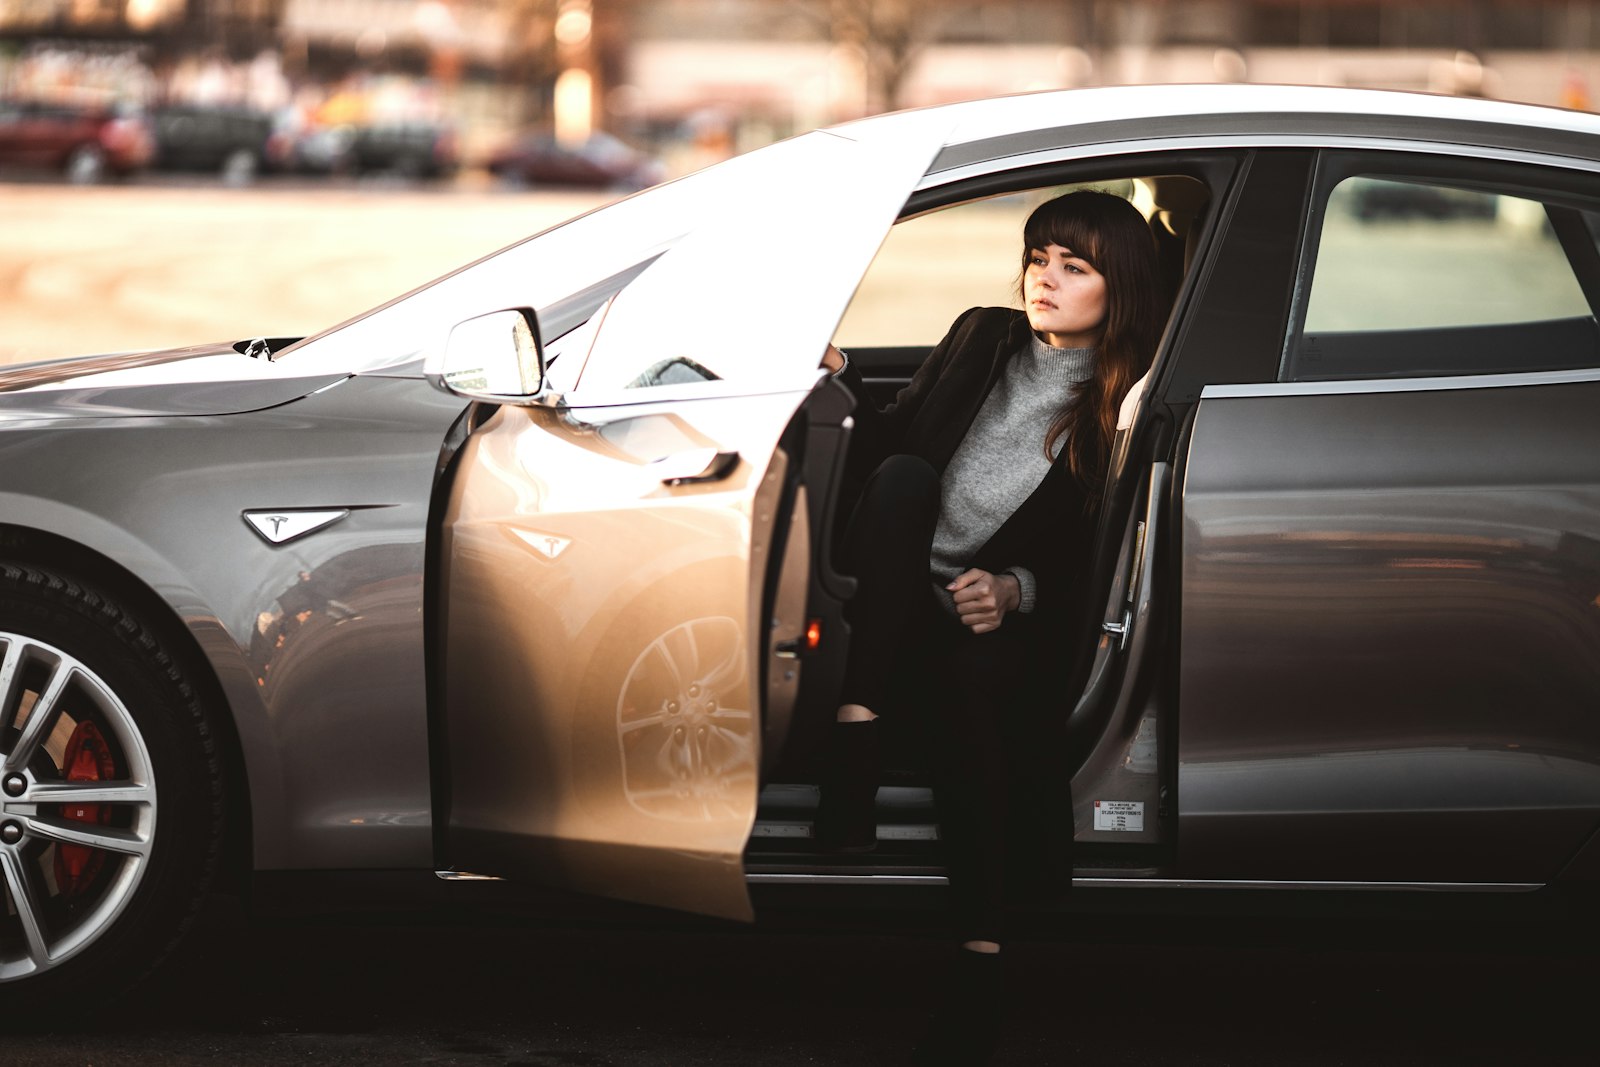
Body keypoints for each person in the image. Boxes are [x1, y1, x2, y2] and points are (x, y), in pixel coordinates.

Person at [815, 189, 1165, 1061]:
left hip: (970, 629)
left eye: (1073, 267)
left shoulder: (1120, 407)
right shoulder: (981, 335)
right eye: (1039, 257)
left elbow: (1097, 555)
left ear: (1117, 289)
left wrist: (1017, 589)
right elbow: (886, 443)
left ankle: (980, 956)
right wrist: (836, 376)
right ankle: (857, 727)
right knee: (899, 478)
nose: (1043, 279)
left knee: (976, 690)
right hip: (885, 597)